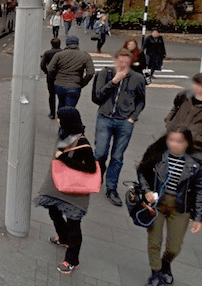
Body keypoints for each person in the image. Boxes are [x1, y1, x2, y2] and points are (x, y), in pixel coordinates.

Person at [137, 126, 202, 286]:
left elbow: (200, 191)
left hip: (181, 207)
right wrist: (147, 191)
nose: (174, 144)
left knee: (174, 246)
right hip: (158, 204)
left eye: (179, 141)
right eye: (171, 140)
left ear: (187, 143)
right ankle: (155, 272)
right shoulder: (158, 155)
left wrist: (198, 217)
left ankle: (166, 264)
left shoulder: (196, 164)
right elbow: (142, 171)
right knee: (154, 241)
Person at [33, 106, 96, 275]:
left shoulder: (83, 143)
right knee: (53, 211)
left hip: (75, 193)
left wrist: (65, 161)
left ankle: (72, 260)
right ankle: (63, 238)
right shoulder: (65, 134)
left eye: (60, 118)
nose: (58, 120)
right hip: (61, 187)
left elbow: (91, 168)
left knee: (74, 224)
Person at [92, 49, 146, 207]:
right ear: (115, 60)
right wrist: (114, 81)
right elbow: (98, 96)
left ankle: (111, 188)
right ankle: (98, 176)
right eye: (120, 62)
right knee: (100, 152)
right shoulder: (106, 74)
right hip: (104, 118)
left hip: (124, 122)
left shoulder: (138, 78)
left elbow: (141, 101)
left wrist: (132, 118)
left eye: (126, 62)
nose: (123, 65)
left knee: (117, 156)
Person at [46, 36, 95, 110]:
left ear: (66, 44)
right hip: (74, 85)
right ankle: (66, 120)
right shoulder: (85, 56)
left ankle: (60, 119)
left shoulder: (59, 55)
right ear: (77, 44)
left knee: (61, 104)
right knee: (70, 108)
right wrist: (82, 83)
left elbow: (50, 69)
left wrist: (56, 77)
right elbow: (90, 73)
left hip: (60, 84)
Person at [41, 38, 63, 119]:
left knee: (51, 95)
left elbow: (42, 65)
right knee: (61, 96)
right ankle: (60, 113)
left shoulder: (47, 53)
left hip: (51, 76)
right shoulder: (63, 53)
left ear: (51, 44)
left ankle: (52, 113)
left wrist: (47, 72)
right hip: (61, 76)